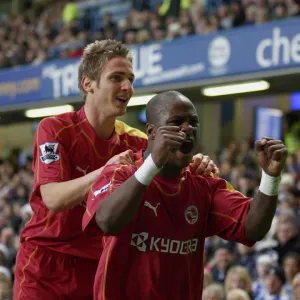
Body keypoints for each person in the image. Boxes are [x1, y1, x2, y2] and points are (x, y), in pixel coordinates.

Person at [13, 40, 218, 299]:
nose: (128, 87)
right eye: (116, 78)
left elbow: (176, 171)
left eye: (131, 79)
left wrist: (196, 164)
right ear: (88, 83)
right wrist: (105, 171)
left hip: (100, 264)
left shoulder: (137, 141)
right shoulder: (54, 129)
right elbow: (52, 199)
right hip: (46, 265)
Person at [82, 91, 288, 299]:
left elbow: (252, 229)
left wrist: (271, 177)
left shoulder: (204, 183)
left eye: (194, 122)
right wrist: (153, 164)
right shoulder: (120, 172)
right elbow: (107, 222)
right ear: (152, 131)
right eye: (177, 121)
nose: (188, 128)